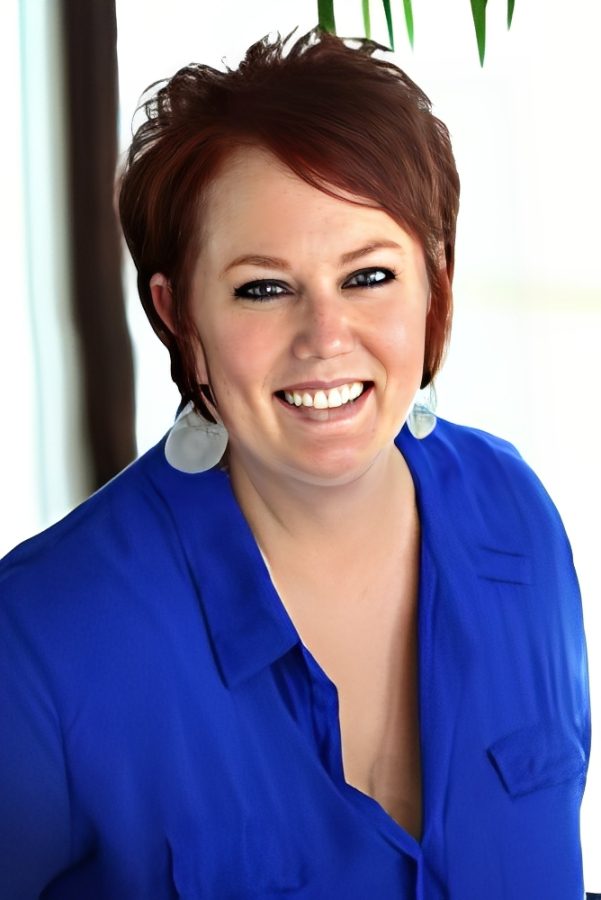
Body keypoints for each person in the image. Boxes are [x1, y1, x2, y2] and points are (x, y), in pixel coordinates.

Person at [0, 26, 592, 899]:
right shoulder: (38, 642)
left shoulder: (516, 518)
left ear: (437, 286)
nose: (325, 338)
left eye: (368, 277)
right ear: (179, 321)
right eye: (263, 288)